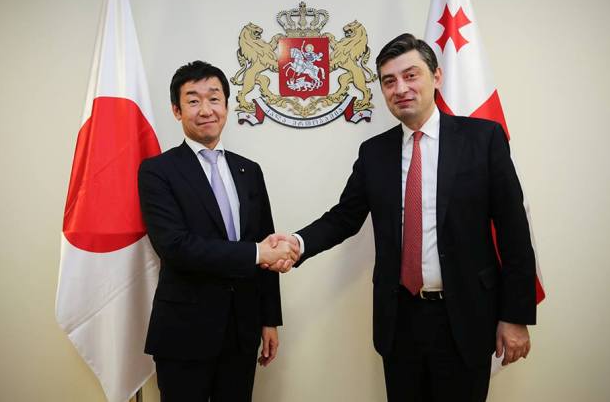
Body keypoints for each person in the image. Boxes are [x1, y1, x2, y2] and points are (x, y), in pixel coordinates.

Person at [270, 33, 536, 401]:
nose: (401, 88)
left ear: (436, 76)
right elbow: (344, 217)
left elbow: (513, 231)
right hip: (400, 320)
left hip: (466, 316)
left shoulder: (483, 139)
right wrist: (297, 243)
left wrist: (515, 315)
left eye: (411, 75)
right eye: (389, 81)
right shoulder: (375, 152)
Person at [138, 60, 298, 402]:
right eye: (193, 101)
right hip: (184, 332)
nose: (206, 110)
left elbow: (266, 241)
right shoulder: (157, 171)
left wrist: (269, 320)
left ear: (226, 105)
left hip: (242, 329)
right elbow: (175, 246)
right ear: (177, 110)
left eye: (214, 98)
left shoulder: (248, 170)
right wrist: (256, 252)